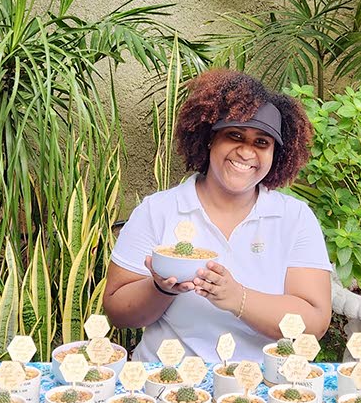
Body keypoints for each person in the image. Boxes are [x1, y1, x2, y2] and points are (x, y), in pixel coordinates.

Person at [103, 69, 332, 362]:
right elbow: (117, 311)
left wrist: (238, 299)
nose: (246, 152)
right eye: (234, 135)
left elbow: (313, 322)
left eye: (262, 142)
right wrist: (160, 288)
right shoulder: (157, 210)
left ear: (277, 153)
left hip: (259, 385)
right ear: (209, 138)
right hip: (167, 381)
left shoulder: (294, 218)